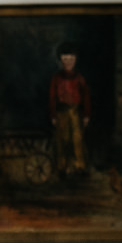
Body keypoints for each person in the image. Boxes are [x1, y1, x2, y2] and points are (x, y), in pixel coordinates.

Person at [48, 43, 91, 177]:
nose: (68, 62)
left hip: (76, 112)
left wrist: (86, 115)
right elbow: (52, 97)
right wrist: (53, 115)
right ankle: (62, 167)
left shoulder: (79, 78)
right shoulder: (56, 78)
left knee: (77, 139)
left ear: (75, 60)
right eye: (65, 59)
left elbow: (86, 96)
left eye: (71, 59)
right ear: (61, 60)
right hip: (61, 112)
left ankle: (79, 166)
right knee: (63, 139)